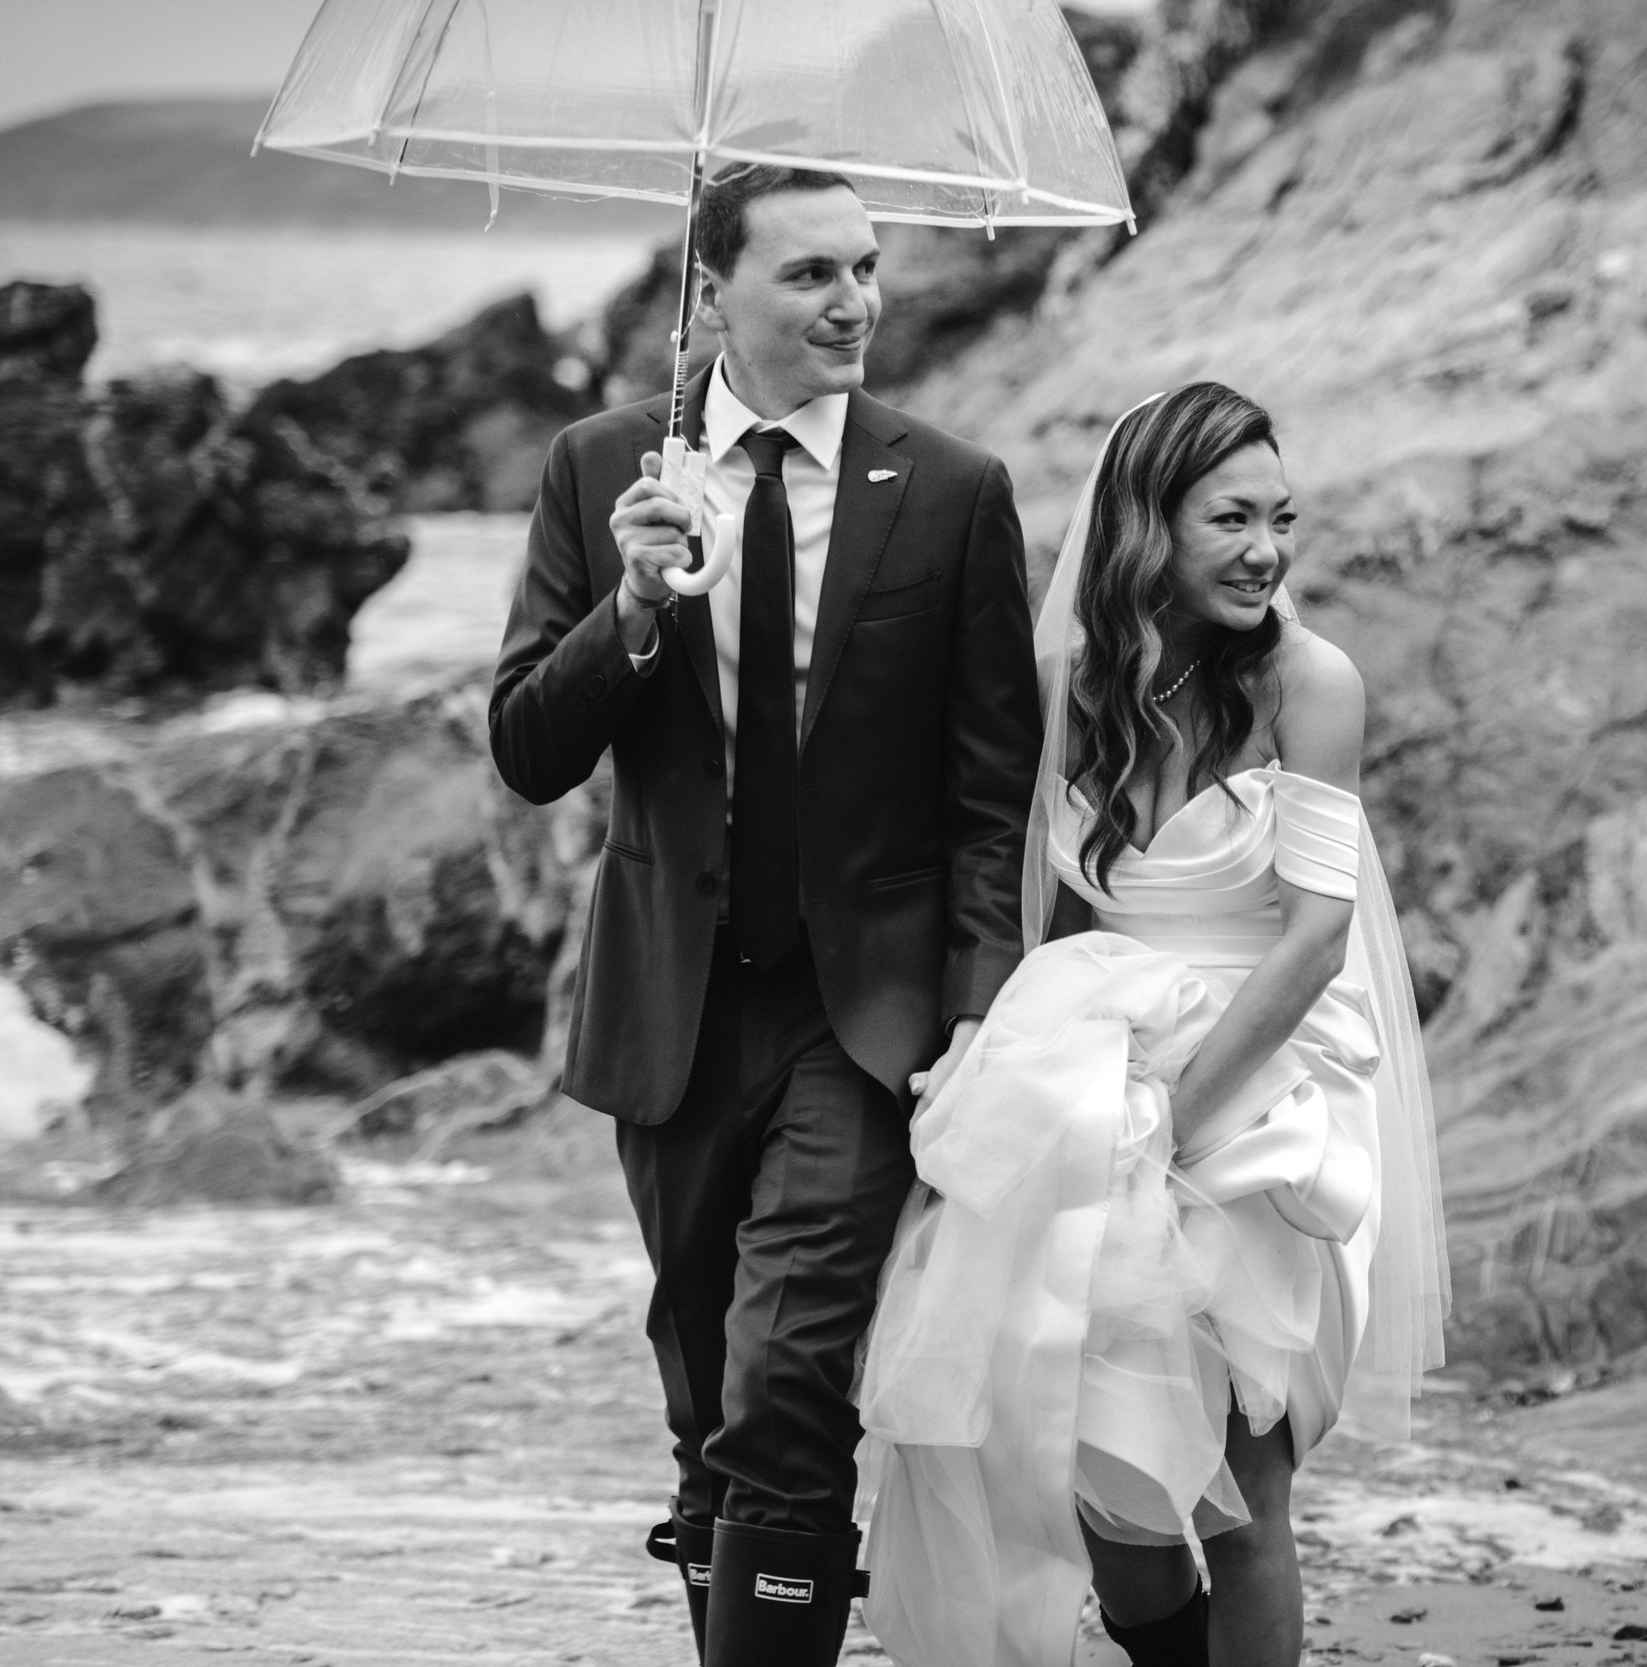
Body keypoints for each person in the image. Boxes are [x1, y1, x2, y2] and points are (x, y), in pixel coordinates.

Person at [489, 162, 1041, 1667]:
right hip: (670, 1007)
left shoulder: (950, 488)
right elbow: (532, 750)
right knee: (704, 1388)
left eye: (865, 268)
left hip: (861, 1012)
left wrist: (983, 1005)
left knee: (789, 1367)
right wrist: (635, 610)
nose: (854, 300)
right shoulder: (604, 467)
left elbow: (995, 789)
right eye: (811, 274)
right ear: (711, 290)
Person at [856, 383, 1449, 1667]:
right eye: (1229, 517)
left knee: (1241, 1494)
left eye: (1281, 518)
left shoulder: (1312, 683)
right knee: (1094, 1465)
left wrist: (1176, 1124)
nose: (1266, 549)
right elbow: (1043, 917)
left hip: (1269, 1092)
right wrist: (1001, 1072)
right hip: (1097, 1074)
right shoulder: (1066, 690)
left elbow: (1313, 933)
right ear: (1146, 526)